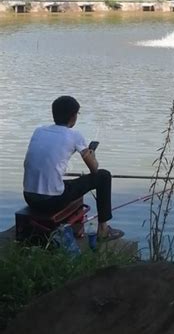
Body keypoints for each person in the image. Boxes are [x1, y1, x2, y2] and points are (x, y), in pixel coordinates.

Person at [23, 95, 123, 241]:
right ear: (73, 116)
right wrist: (92, 154)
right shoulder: (75, 135)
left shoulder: (39, 131)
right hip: (52, 202)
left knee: (65, 183)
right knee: (104, 176)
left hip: (29, 197)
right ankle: (103, 229)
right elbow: (94, 170)